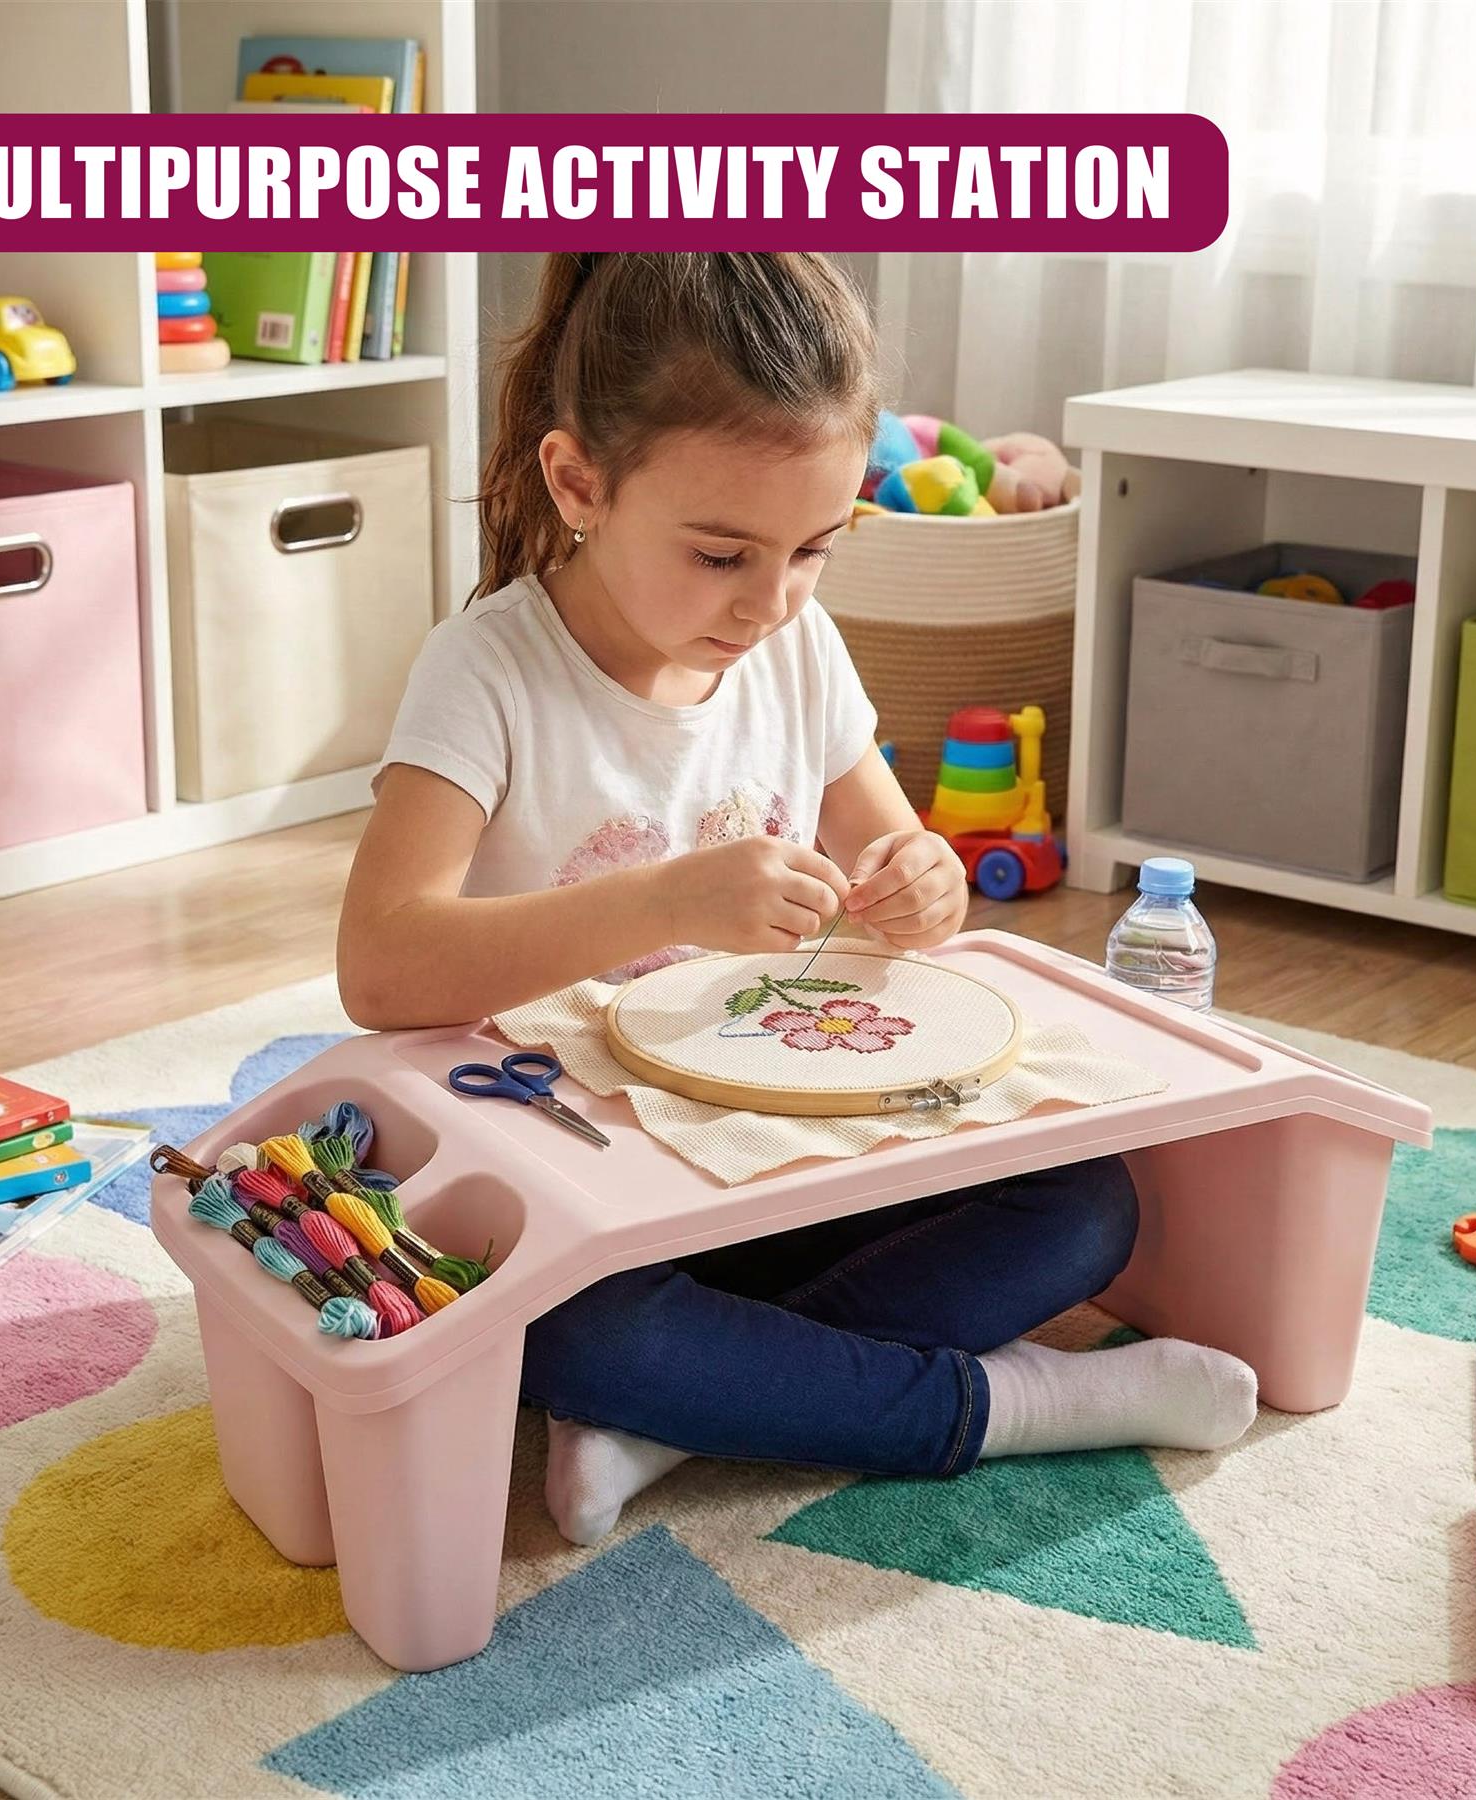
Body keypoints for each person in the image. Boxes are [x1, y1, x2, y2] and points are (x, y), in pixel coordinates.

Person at [339, 253, 1256, 1547]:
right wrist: (662, 902)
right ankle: (1005, 1406)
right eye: (722, 554)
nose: (769, 603)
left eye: (814, 551)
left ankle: (689, 1410)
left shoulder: (794, 648)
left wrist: (922, 882)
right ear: (578, 484)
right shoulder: (488, 672)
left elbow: (900, 866)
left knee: (1083, 1202)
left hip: (770, 1149)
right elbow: (381, 966)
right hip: (589, 1180)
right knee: (556, 1330)